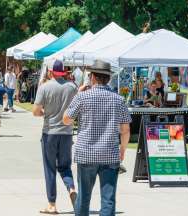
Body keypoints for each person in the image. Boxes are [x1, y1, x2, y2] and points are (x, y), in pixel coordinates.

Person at [63, 60, 131, 216]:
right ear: (108, 78)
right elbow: (125, 130)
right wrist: (123, 150)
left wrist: (78, 94)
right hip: (109, 154)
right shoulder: (118, 99)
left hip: (86, 154)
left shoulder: (82, 97)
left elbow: (66, 119)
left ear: (92, 76)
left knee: (84, 197)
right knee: (108, 199)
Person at [32, 60, 77, 214]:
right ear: (64, 72)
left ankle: (52, 204)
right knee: (65, 166)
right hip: (66, 132)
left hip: (50, 132)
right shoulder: (72, 87)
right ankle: (71, 188)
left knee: (50, 168)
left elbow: (35, 111)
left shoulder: (44, 87)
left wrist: (46, 113)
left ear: (51, 72)